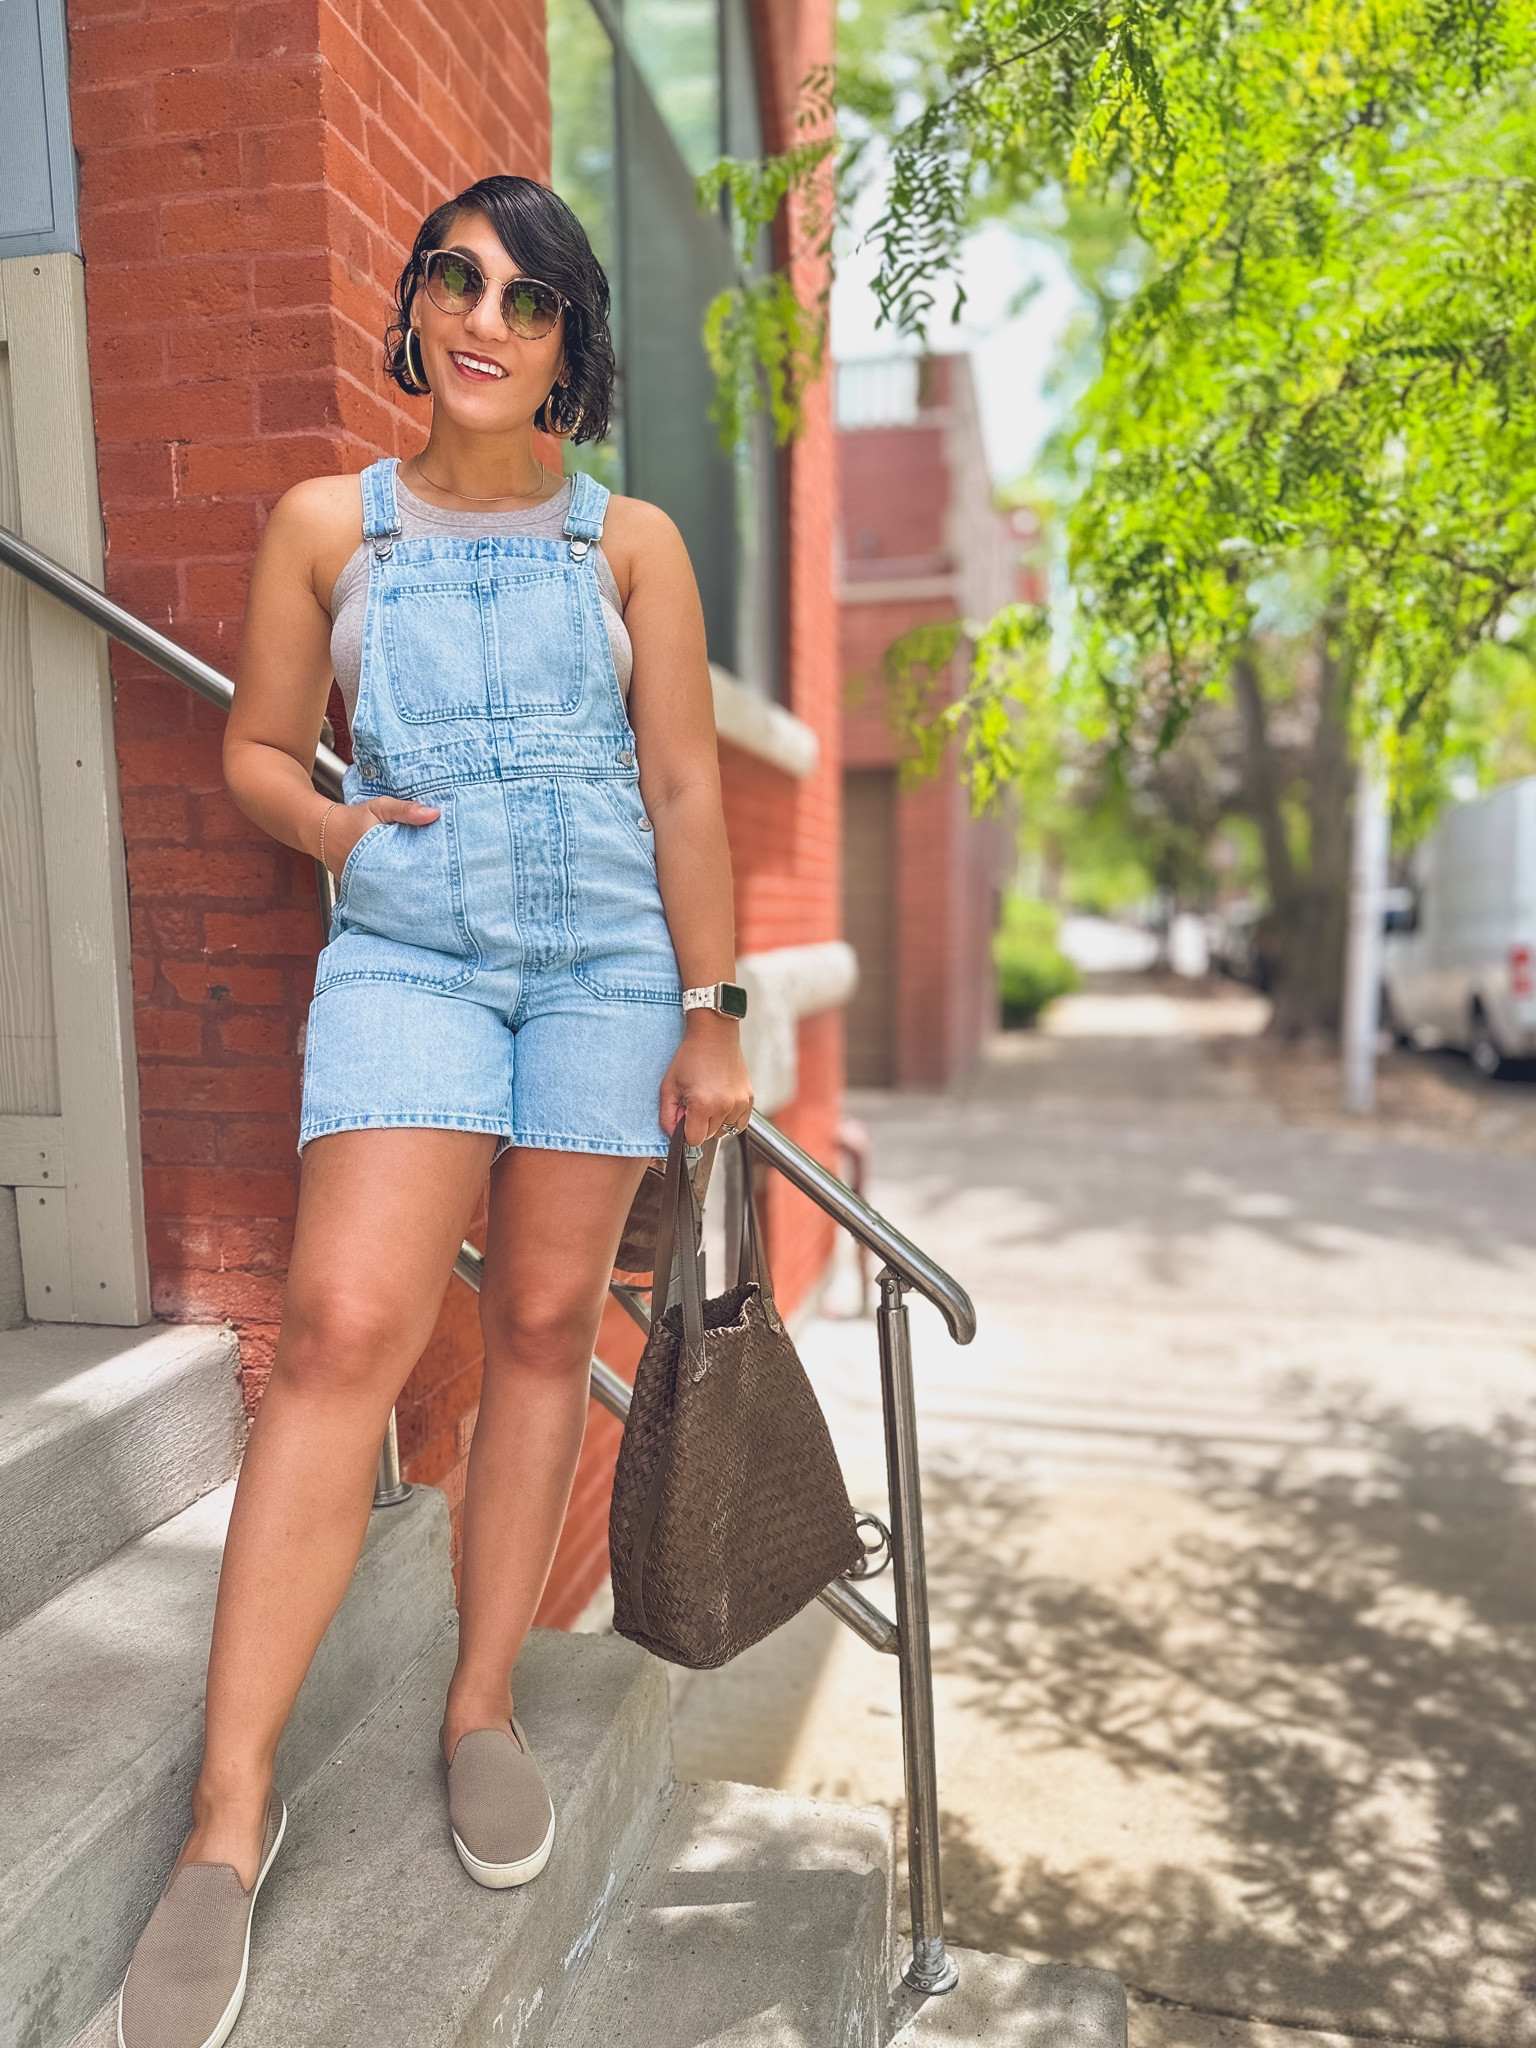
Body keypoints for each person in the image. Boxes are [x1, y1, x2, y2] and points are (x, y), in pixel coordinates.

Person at [116, 173, 753, 2048]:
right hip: (408, 958)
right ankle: (226, 1821)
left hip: (602, 968)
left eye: (529, 298)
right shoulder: (331, 526)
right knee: (339, 1334)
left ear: (567, 344)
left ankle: (479, 1703)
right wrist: (327, 824)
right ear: (412, 310)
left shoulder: (626, 544)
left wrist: (716, 1018)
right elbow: (251, 742)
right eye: (456, 282)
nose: (486, 317)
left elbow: (692, 789)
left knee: (550, 1320)